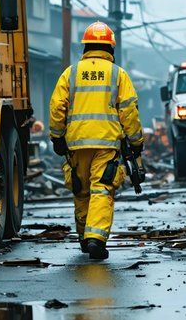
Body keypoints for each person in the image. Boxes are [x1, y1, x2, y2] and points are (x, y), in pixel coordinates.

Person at [49, 21, 144, 260]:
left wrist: (57, 137)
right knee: (101, 189)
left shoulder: (70, 73)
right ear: (110, 48)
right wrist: (136, 141)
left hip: (76, 144)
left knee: (80, 191)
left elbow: (57, 106)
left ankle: (84, 237)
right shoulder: (117, 74)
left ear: (86, 46)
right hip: (106, 144)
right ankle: (96, 239)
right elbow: (129, 111)